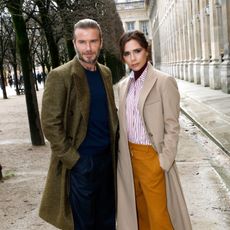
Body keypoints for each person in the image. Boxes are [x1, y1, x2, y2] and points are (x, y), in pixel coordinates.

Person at [39, 18, 118, 230]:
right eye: (82, 42)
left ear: (101, 42)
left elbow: (111, 114)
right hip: (82, 163)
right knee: (83, 225)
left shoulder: (106, 73)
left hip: (107, 161)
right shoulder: (60, 76)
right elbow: (50, 124)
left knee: (108, 221)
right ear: (74, 43)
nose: (89, 48)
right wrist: (74, 161)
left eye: (93, 41)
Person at [116, 30, 192, 230]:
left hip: (152, 158)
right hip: (128, 159)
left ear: (146, 51)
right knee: (139, 215)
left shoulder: (163, 81)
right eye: (127, 53)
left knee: (159, 217)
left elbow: (172, 125)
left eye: (137, 51)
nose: (133, 58)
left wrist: (163, 161)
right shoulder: (123, 86)